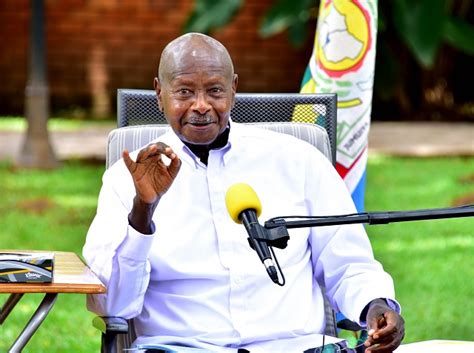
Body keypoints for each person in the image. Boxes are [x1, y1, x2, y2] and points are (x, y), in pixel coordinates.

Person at [83, 32, 404, 353]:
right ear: (159, 93)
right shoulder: (125, 180)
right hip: (182, 347)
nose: (201, 106)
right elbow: (110, 305)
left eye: (214, 91)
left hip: (294, 347)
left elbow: (348, 261)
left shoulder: (299, 160)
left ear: (233, 89)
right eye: (184, 92)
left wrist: (375, 304)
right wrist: (143, 211)